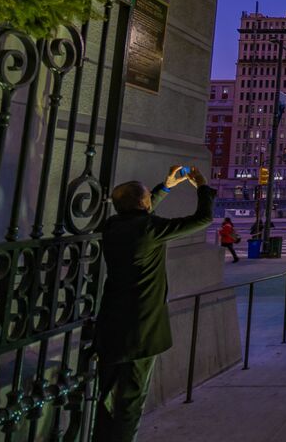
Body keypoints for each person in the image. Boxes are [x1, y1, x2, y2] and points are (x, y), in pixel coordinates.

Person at [94, 165, 214, 442]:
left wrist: (165, 186)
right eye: (149, 197)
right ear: (145, 203)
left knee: (105, 401)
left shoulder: (112, 226)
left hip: (110, 327)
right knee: (130, 403)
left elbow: (138, 210)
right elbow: (203, 218)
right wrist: (203, 187)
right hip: (141, 330)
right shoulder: (150, 229)